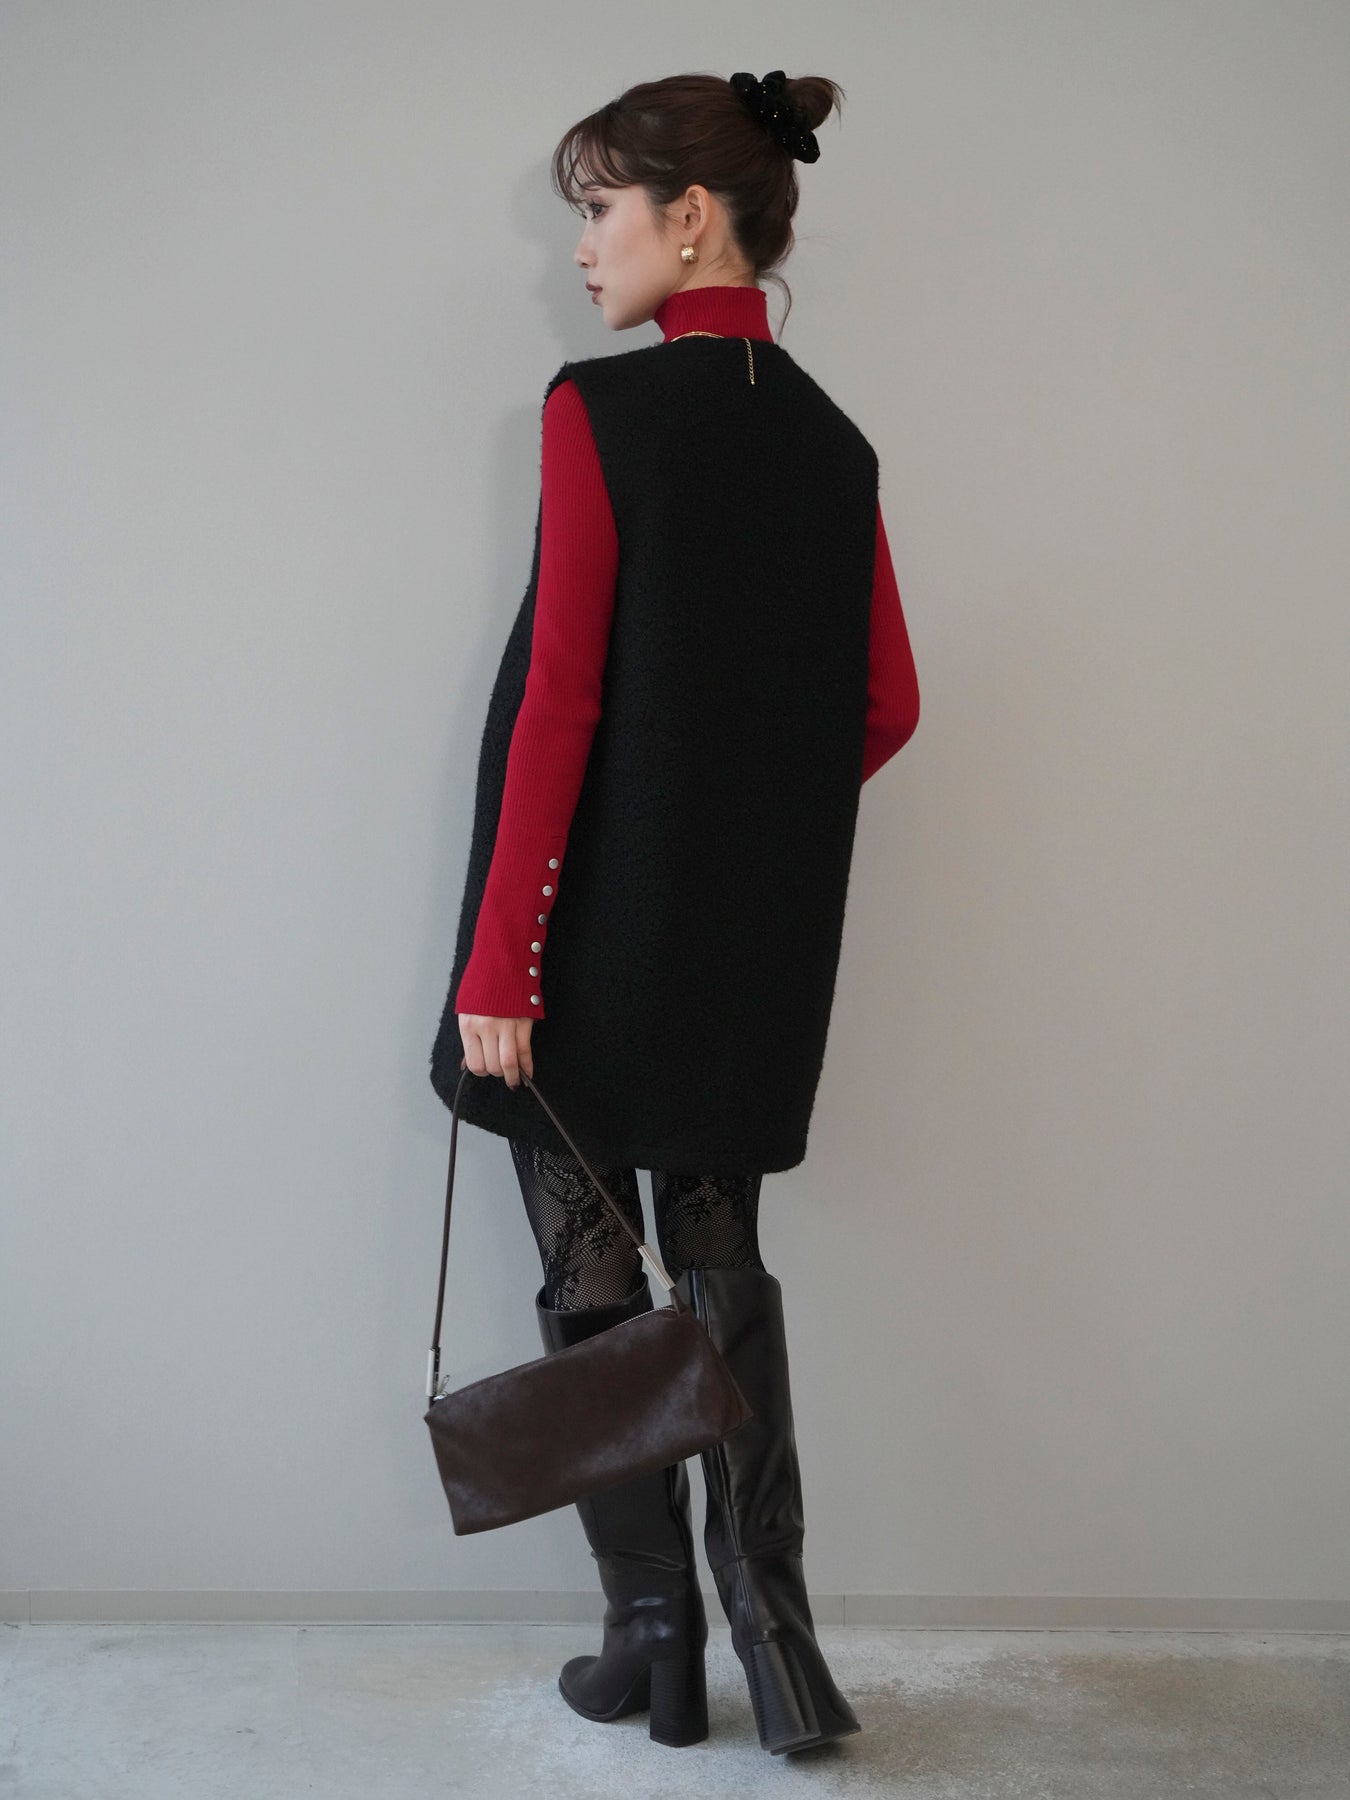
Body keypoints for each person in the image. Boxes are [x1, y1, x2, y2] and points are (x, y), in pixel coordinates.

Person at [429, 69, 919, 1754]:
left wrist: (505, 960)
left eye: (597, 209)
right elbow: (883, 705)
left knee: (593, 1257)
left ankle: (649, 1633)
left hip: (579, 936)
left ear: (687, 215)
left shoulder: (604, 413)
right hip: (740, 950)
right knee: (717, 1251)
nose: (580, 248)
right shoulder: (833, 441)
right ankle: (778, 1638)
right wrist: (741, 837)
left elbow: (562, 700)